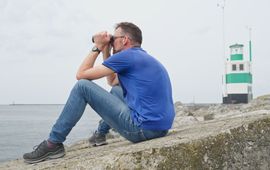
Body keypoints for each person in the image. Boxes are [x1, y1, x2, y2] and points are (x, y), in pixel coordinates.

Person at [23, 22, 175, 164]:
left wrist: (97, 46)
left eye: (114, 38)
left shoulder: (126, 56)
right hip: (160, 128)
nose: (111, 41)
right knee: (116, 91)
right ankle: (100, 134)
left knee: (82, 87)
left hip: (144, 130)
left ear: (125, 40)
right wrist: (106, 51)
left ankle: (53, 143)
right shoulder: (142, 57)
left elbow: (81, 75)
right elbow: (112, 82)